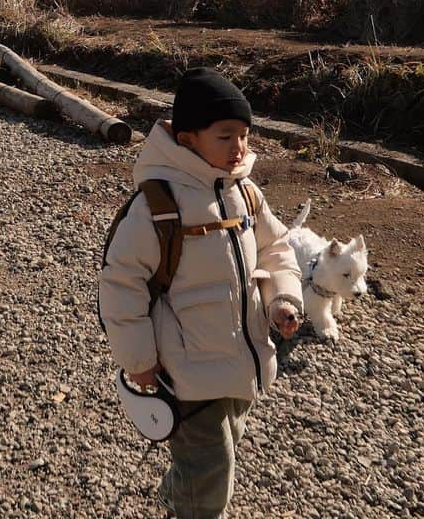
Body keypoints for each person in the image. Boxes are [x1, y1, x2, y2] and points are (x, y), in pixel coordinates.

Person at [99, 67, 304, 519]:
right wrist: (140, 361)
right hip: (187, 371)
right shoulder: (159, 204)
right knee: (213, 472)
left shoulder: (246, 194)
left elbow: (276, 250)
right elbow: (120, 284)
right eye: (225, 136)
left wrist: (284, 300)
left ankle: (180, 491)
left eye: (245, 136)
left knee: (220, 450)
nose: (239, 148)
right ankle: (190, 504)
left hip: (242, 362)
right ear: (188, 138)